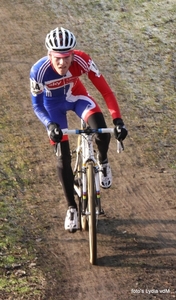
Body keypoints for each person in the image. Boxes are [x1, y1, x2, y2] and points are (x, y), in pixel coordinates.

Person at [30, 27, 128, 232]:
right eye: (57, 57)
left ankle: (102, 161)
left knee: (101, 128)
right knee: (62, 157)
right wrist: (50, 125)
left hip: (77, 99)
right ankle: (71, 208)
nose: (62, 62)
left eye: (66, 57)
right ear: (49, 55)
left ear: (73, 54)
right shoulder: (38, 71)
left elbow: (106, 91)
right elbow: (37, 106)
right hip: (52, 108)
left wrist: (118, 120)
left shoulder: (83, 60)